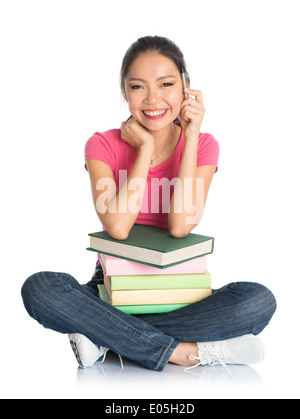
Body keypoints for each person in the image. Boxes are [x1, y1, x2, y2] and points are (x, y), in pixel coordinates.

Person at [21, 36, 276, 372]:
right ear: (125, 93)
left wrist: (192, 133)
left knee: (258, 301)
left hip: (180, 287)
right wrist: (142, 151)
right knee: (40, 289)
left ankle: (103, 336)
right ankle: (185, 352)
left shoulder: (203, 145)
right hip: (113, 285)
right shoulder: (102, 145)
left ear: (186, 86)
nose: (153, 98)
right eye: (138, 87)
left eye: (166, 84)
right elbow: (118, 227)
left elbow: (181, 224)